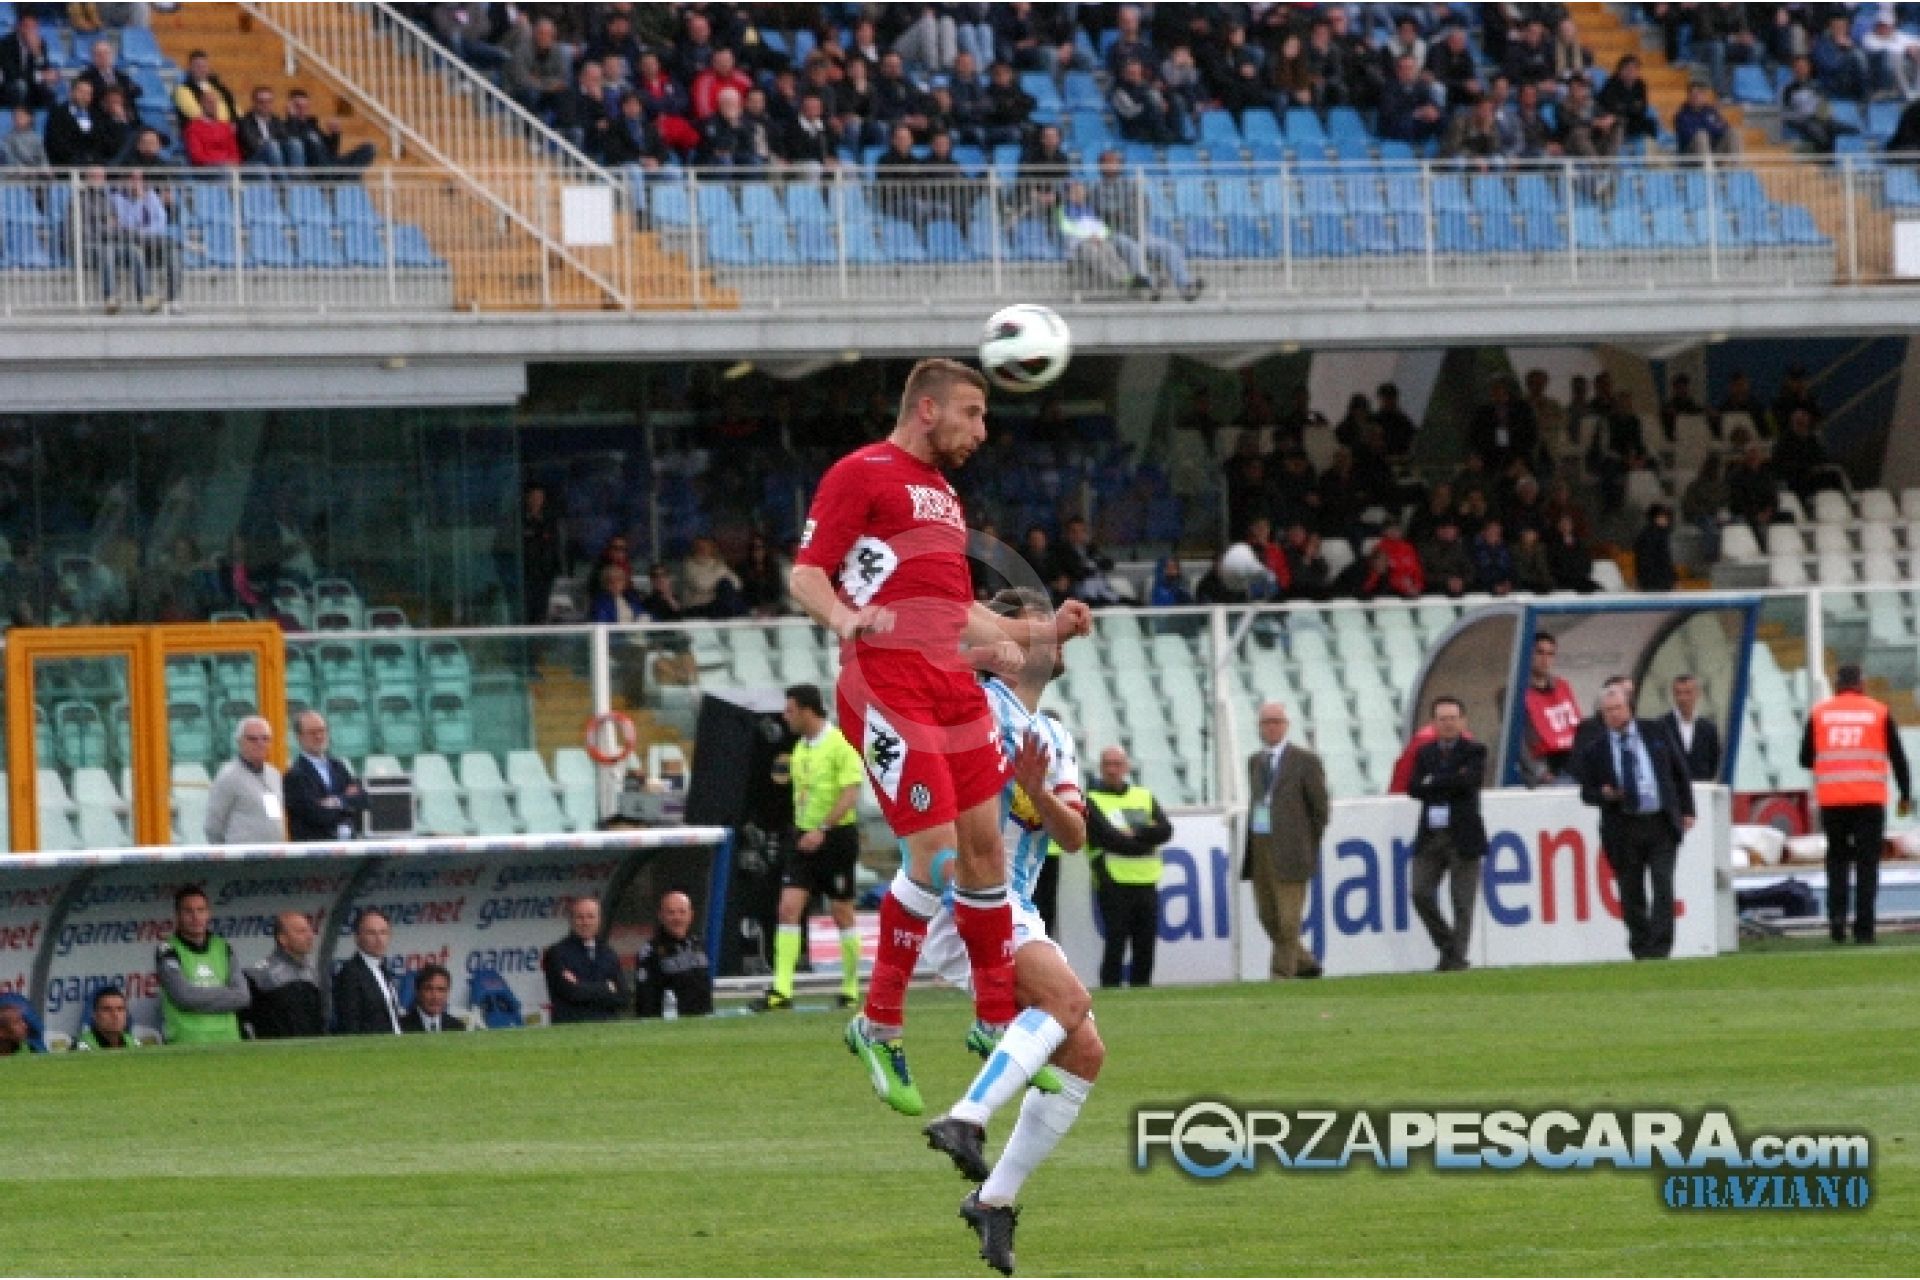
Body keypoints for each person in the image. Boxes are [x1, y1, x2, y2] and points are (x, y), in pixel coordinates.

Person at [789, 358, 1092, 1116]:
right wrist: (846, 618)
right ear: (927, 409)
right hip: (885, 681)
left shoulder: (947, 500)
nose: (981, 430)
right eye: (972, 413)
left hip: (950, 683)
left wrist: (1045, 631)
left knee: (985, 853)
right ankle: (878, 1024)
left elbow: (963, 617)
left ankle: (992, 1021)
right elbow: (806, 575)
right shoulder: (862, 472)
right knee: (936, 853)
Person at [917, 588, 1102, 1278]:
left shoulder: (1054, 735)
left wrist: (1040, 792)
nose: (1045, 637)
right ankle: (967, 1115)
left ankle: (993, 1200)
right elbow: (943, 646)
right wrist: (1051, 630)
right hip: (965, 893)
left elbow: (1075, 836)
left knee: (1083, 1052)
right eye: (1033, 626)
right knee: (1066, 1001)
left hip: (1015, 902)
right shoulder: (973, 699)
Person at [755, 684, 865, 1012]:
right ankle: (782, 989)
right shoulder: (800, 748)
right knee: (788, 909)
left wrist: (823, 829)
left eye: (790, 711)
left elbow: (850, 793)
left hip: (836, 839)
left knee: (842, 913)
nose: (785, 717)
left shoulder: (840, 745)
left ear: (806, 711)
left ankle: (850, 988)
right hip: (803, 838)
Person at [1575, 684, 1696, 960]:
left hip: (1660, 821)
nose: (1614, 714)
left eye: (1618, 708)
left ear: (1629, 707)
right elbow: (1586, 792)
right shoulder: (1596, 749)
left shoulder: (1656, 731)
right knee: (1631, 891)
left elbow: (1679, 770)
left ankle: (1661, 948)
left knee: (1663, 884)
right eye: (1608, 711)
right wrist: (1605, 795)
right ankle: (1641, 948)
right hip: (1623, 826)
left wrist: (1687, 809)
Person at [1801, 664, 1913, 946]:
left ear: (1837, 684)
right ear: (1861, 684)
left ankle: (1837, 921)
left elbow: (1804, 758)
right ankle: (1864, 928)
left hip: (1833, 799)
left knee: (1837, 860)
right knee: (1867, 865)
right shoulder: (1878, 712)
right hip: (1869, 800)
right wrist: (1905, 794)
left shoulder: (1820, 714)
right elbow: (1899, 758)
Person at [1242, 701, 1328, 980]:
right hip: (1261, 846)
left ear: (1286, 725)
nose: (1271, 727)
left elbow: (1320, 809)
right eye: (1266, 722)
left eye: (1276, 721)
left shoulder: (1305, 761)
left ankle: (1281, 973)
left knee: (1289, 919)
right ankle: (1304, 961)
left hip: (1292, 849)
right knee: (1268, 916)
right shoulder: (1255, 762)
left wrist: (1306, 843)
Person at [1080, 745, 1172, 988]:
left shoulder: (1144, 796)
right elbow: (1107, 838)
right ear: (1100, 768)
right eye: (1107, 764)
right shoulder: (1091, 800)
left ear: (1126, 767)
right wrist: (1145, 839)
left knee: (1145, 943)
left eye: (1117, 764)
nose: (1112, 770)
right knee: (1116, 941)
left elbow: (1165, 830)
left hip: (1146, 879)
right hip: (1112, 879)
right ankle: (1110, 988)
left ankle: (1142, 989)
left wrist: (1135, 833)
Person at [1407, 698, 1488, 972]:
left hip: (1463, 834)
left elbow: (1470, 782)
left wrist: (1435, 781)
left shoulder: (1475, 750)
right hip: (1431, 834)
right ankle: (1448, 946)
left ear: (1463, 721)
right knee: (1420, 892)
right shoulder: (1424, 753)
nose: (1448, 723)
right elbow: (1414, 788)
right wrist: (1451, 779)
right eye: (1442, 719)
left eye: (1453, 718)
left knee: (1462, 901)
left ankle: (1456, 959)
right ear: (1434, 723)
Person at [156, 885, 249, 1043]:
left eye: (201, 910)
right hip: (187, 1040)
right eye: (188, 911)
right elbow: (184, 997)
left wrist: (198, 995)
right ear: (177, 916)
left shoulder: (223, 947)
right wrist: (225, 993)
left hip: (228, 1038)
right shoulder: (167, 950)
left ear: (208, 913)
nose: (195, 916)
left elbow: (243, 996)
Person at [284, 710, 367, 842]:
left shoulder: (338, 766)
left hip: (347, 846)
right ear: (299, 737)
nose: (318, 736)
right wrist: (346, 802)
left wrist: (336, 801)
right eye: (312, 732)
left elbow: (364, 799)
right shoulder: (294, 775)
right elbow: (316, 815)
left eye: (322, 730)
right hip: (316, 848)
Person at [242, 910, 327, 1039]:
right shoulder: (260, 975)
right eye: (301, 932)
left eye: (310, 930)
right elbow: (244, 1023)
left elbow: (321, 1021)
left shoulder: (313, 973)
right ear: (283, 939)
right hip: (277, 1050)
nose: (310, 936)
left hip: (312, 1049)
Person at [543, 896, 627, 1023]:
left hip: (607, 1026)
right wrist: (606, 987)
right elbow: (571, 993)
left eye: (590, 917)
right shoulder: (557, 953)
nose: (585, 922)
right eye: (580, 917)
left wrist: (582, 987)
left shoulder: (608, 953)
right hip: (571, 1028)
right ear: (571, 920)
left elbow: (623, 997)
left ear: (599, 920)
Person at [204, 715, 286, 844]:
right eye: (252, 739)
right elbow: (213, 826)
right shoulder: (228, 777)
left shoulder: (274, 774)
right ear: (239, 742)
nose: (260, 744)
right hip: (241, 855)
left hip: (273, 852)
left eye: (265, 739)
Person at [634, 890, 714, 1018]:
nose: (677, 918)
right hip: (672, 1025)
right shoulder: (651, 952)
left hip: (703, 1022)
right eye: (671, 913)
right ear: (661, 916)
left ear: (691, 915)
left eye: (682, 912)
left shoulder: (697, 945)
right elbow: (646, 1002)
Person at [1521, 631, 1582, 784]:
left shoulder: (1562, 686)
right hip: (1545, 767)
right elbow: (1518, 742)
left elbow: (1577, 726)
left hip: (1571, 762)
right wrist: (1541, 772)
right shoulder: (1516, 692)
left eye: (1550, 654)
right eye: (1540, 653)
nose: (1545, 659)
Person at [331, 909, 403, 1035]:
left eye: (383, 932)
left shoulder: (383, 969)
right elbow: (350, 1023)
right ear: (357, 937)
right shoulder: (350, 974)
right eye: (371, 933)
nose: (379, 939)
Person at [1663, 674, 1723, 784]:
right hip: (1673, 789)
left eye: (1688, 693)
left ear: (1697, 694)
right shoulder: (1662, 726)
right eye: (1678, 693)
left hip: (1701, 788)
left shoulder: (1709, 729)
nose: (1683, 698)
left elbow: (1714, 761)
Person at [74, 987, 138, 1050]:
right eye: (107, 1009)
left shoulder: (134, 1043)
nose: (115, 1015)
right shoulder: (82, 1046)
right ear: (95, 1015)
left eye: (120, 1009)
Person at [400, 963, 457, 1032]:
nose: (435, 997)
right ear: (417, 992)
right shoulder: (400, 1027)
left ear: (448, 993)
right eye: (428, 989)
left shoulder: (457, 1027)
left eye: (441, 990)